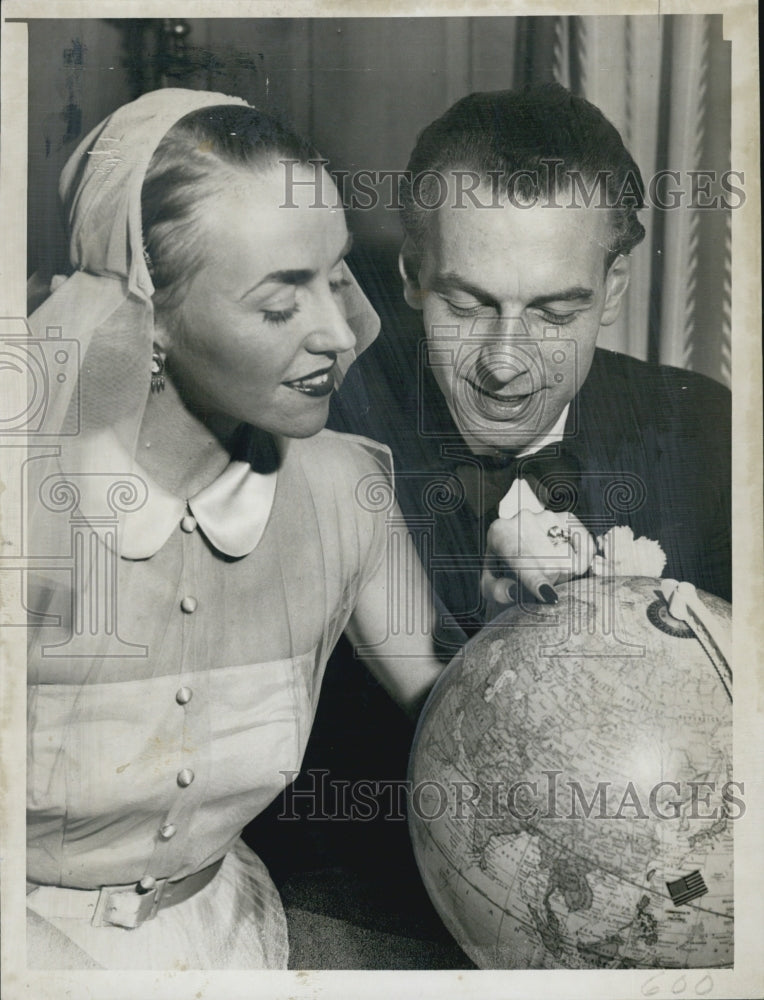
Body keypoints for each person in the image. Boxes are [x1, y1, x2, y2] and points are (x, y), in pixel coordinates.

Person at [24, 88, 443, 970]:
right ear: (153, 317)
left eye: (334, 277)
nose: (339, 333)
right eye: (281, 303)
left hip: (233, 945)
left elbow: (451, 727)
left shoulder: (344, 491)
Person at [331, 83, 731, 651]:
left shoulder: (712, 435)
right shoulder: (321, 436)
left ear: (612, 291)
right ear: (414, 275)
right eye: (468, 305)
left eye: (554, 312)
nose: (504, 364)